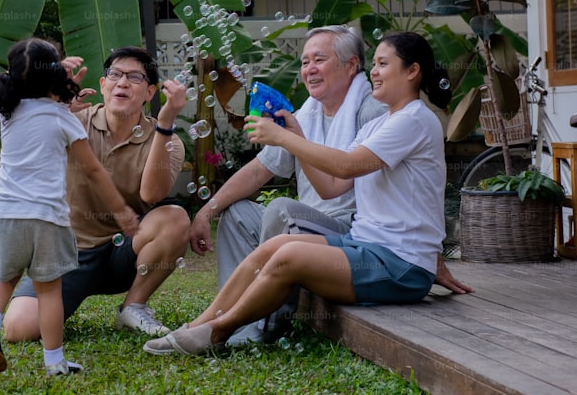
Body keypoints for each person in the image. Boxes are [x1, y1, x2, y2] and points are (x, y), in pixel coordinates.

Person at [144, 31, 456, 356]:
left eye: (381, 64)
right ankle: (199, 325)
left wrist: (286, 139)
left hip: (400, 265)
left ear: (411, 71)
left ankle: (217, 332)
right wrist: (298, 136)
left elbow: (347, 166)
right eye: (373, 64)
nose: (373, 72)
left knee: (287, 254)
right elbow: (331, 185)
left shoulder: (414, 121)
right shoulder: (377, 125)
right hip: (368, 247)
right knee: (277, 245)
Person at [190, 26, 389, 344]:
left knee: (282, 211)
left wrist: (290, 137)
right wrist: (206, 211)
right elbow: (258, 171)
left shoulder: (371, 112)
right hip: (308, 225)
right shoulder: (307, 113)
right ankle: (231, 316)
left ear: (351, 65)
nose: (309, 69)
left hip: (351, 234)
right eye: (305, 61)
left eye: (319, 60)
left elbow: (335, 186)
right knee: (237, 213)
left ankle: (266, 325)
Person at [2, 46, 190, 343]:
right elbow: (20, 139)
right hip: (68, 253)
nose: (122, 83)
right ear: (103, 85)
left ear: (151, 93)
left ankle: (133, 306)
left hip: (126, 252)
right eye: (115, 74)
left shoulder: (166, 139)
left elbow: (151, 194)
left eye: (134, 77)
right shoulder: (73, 120)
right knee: (18, 329)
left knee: (176, 218)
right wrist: (54, 107)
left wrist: (165, 124)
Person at [0, 38, 140, 377]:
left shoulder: (9, 112)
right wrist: (122, 211)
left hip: (5, 214)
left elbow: (37, 99)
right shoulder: (63, 120)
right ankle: (54, 363)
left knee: (4, 275)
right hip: (46, 219)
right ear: (54, 80)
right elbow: (93, 170)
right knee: (49, 291)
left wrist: (56, 80)